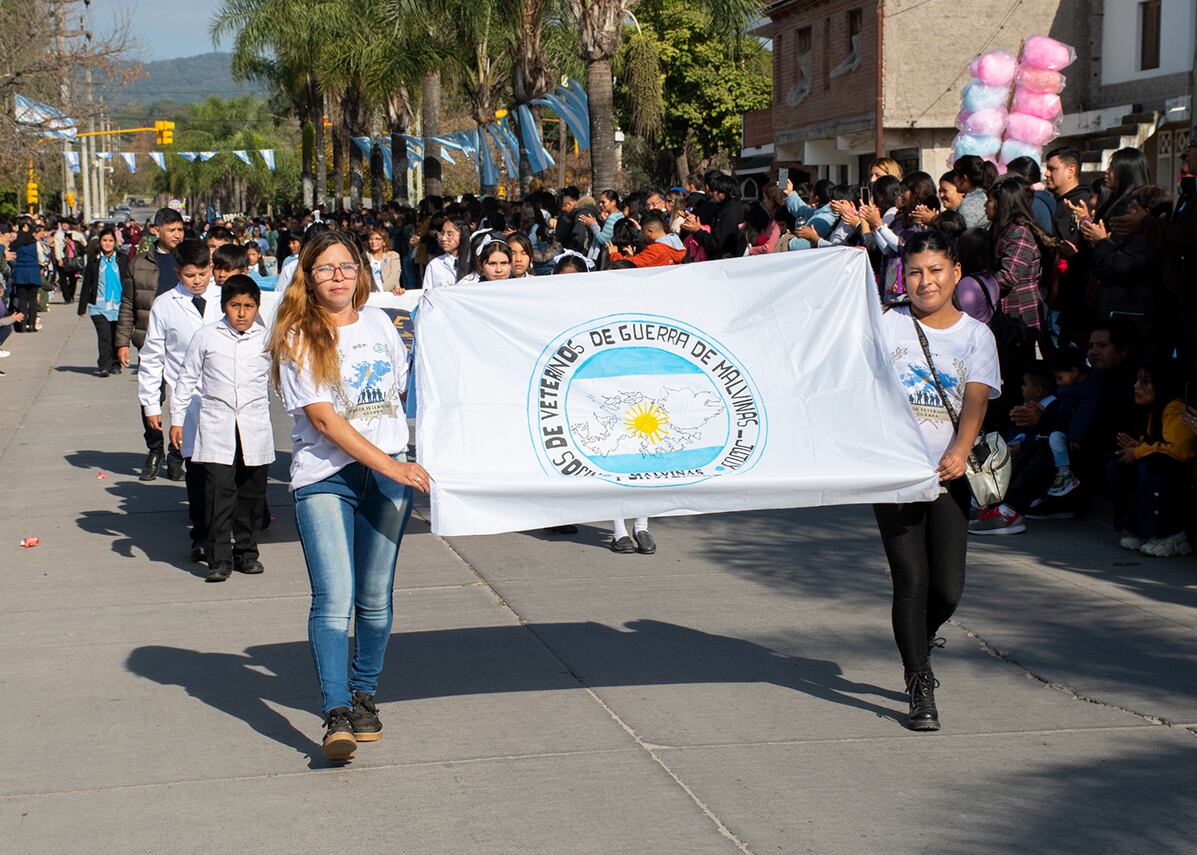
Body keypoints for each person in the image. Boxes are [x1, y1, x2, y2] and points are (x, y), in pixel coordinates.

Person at [267, 229, 431, 761]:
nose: (337, 276)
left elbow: (401, 393)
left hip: (387, 478)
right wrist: (392, 464)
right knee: (335, 598)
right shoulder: (296, 334)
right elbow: (324, 419)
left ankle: (364, 696)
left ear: (360, 272)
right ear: (307, 277)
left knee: (376, 600)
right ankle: (336, 711)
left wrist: (404, 458)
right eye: (324, 268)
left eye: (345, 266)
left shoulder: (382, 323)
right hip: (326, 478)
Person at [874, 229, 1000, 731]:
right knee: (912, 580)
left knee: (947, 590)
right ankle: (919, 681)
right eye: (914, 272)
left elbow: (976, 395)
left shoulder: (977, 334)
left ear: (956, 275)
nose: (924, 282)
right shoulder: (886, 324)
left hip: (951, 474)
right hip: (895, 474)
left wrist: (960, 448)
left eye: (935, 271)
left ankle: (918, 637)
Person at [170, 275, 274, 583]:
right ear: (223, 306)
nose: (242, 313)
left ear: (257, 307)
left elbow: (281, 383)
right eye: (235, 306)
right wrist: (177, 420)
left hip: (254, 426)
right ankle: (219, 558)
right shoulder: (206, 337)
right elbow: (186, 379)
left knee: (252, 495)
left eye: (249, 306)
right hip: (216, 425)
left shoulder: (267, 340)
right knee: (219, 495)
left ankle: (247, 553)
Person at [137, 239, 224, 561]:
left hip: (228, 397)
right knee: (197, 470)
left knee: (227, 471)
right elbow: (152, 356)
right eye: (190, 275)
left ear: (211, 269)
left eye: (203, 273)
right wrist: (150, 404)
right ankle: (201, 536)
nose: (198, 281)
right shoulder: (165, 304)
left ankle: (231, 531)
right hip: (187, 402)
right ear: (178, 273)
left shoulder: (226, 298)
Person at [117, 207, 189, 481]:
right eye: (172, 230)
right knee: (151, 398)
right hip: (150, 340)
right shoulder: (140, 263)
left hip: (185, 342)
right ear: (156, 231)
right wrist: (122, 341)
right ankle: (155, 450)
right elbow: (128, 303)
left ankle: (177, 455)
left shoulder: (190, 259)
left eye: (180, 229)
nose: (177, 235)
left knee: (184, 400)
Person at [1108, 362, 1194, 557]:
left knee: (1151, 467)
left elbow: (1181, 451)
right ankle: (1139, 529)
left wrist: (1139, 452)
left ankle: (1171, 535)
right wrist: (1137, 448)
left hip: (1181, 476)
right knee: (1118, 465)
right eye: (1137, 380)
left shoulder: (1174, 409)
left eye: (1145, 382)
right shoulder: (1154, 409)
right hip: (1166, 467)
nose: (1136, 386)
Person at [77, 228, 131, 377]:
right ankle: (104, 365)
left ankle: (115, 363)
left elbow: (128, 281)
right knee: (104, 336)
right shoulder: (94, 261)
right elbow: (87, 284)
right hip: (98, 306)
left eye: (110, 241)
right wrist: (82, 307)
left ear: (115, 243)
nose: (107, 244)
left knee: (116, 335)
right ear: (99, 242)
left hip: (119, 305)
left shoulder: (123, 259)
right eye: (104, 240)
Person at [610, 212, 686, 267]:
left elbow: (635, 264)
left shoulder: (657, 249)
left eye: (643, 232)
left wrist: (613, 254)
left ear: (650, 231)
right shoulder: (675, 243)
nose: (642, 235)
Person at [9, 220, 42, 333]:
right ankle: (32, 325)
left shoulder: (16, 243)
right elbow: (41, 258)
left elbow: (11, 255)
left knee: (22, 300)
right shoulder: (35, 243)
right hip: (33, 272)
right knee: (33, 300)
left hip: (20, 273)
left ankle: (22, 325)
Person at [422, 215, 469, 289]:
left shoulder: (474, 263)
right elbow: (427, 293)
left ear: (463, 235)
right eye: (442, 233)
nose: (443, 238)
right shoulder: (434, 265)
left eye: (449, 234)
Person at [951, 155, 995, 229]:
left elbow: (960, 232)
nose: (954, 179)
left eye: (956, 175)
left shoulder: (972, 202)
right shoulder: (982, 195)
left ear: (965, 178)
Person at [364, 226, 404, 294]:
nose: (373, 241)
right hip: (370, 296)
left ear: (384, 242)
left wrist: (382, 293)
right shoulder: (365, 257)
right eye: (371, 239)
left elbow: (394, 277)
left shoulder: (393, 256)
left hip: (389, 295)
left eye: (378, 239)